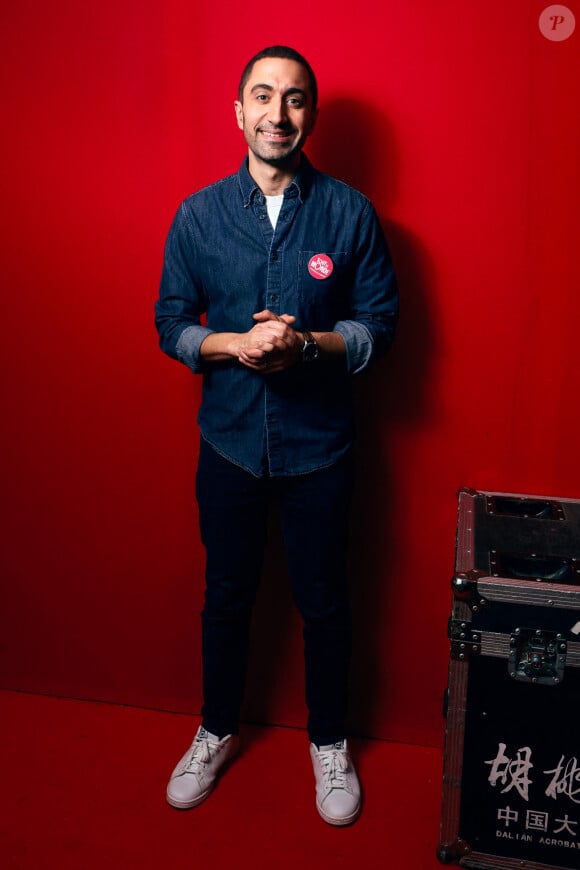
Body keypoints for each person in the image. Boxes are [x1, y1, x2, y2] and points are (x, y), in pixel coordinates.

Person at [155, 45, 398, 826]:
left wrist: (310, 346)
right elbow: (170, 323)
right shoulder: (196, 215)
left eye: (295, 100)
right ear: (238, 111)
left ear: (311, 117)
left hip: (320, 447)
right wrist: (234, 343)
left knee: (325, 603)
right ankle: (216, 728)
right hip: (226, 443)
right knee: (225, 597)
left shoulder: (350, 213)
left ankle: (329, 742)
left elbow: (380, 328)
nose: (278, 114)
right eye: (263, 96)